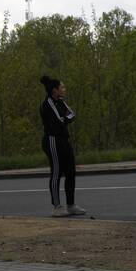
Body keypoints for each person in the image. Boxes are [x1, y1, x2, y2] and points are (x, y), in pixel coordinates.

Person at [39, 75, 85, 217]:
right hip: (52, 140)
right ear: (54, 90)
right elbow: (59, 120)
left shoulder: (60, 102)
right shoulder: (47, 104)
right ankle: (57, 206)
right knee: (56, 172)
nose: (64, 89)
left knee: (71, 171)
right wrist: (65, 119)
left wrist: (65, 119)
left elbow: (72, 114)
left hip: (64, 139)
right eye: (62, 87)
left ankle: (71, 205)